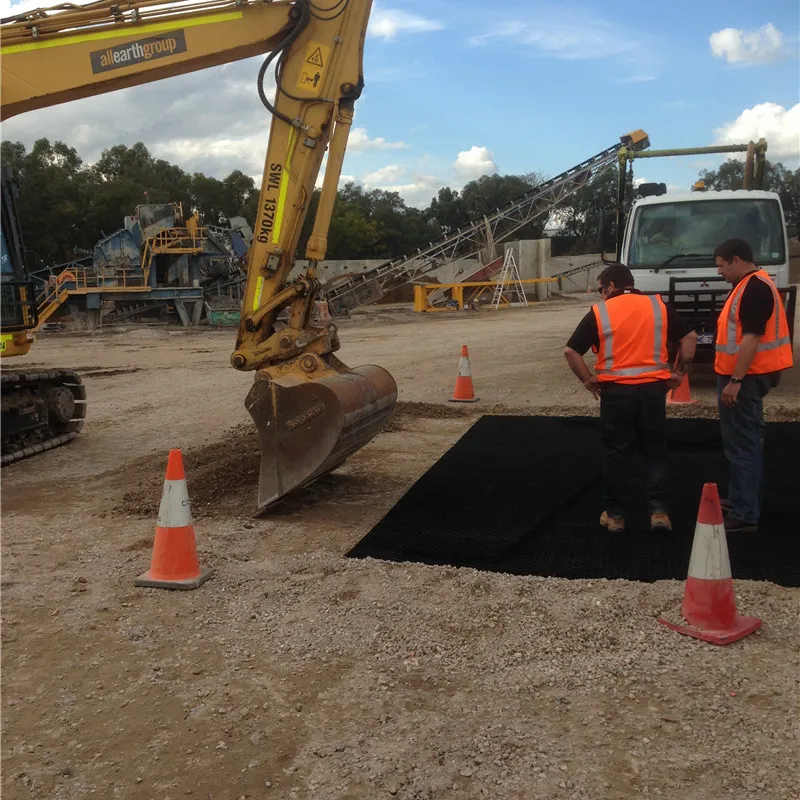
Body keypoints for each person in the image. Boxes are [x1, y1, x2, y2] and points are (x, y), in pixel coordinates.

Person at [564, 263, 697, 533]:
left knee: (617, 453)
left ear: (611, 286)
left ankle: (616, 516)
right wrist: (678, 373)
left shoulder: (600, 312)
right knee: (655, 451)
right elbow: (690, 337)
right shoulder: (657, 306)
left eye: (601, 289)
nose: (600, 295)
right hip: (652, 392)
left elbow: (570, 351)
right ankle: (659, 513)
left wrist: (589, 381)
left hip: (615, 394)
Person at [713, 238, 793, 533]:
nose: (719, 272)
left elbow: (751, 338)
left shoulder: (754, 289)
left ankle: (746, 513)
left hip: (745, 379)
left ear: (736, 260)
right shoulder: (753, 285)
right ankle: (741, 500)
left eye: (721, 266)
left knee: (742, 445)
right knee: (745, 442)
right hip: (750, 376)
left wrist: (735, 380)